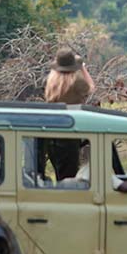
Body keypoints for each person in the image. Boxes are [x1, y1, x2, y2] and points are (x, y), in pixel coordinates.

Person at [43, 48, 94, 180]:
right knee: (69, 176)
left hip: (53, 132)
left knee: (60, 172)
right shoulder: (76, 82)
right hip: (70, 130)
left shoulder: (51, 82)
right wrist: (83, 68)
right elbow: (91, 87)